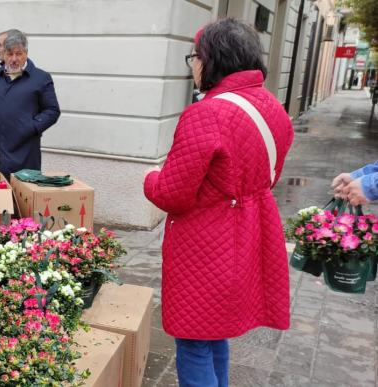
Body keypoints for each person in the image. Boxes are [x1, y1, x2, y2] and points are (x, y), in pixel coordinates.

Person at [143, 19, 293, 387]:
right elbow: (268, 177)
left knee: (193, 341)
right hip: (248, 235)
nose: (192, 65)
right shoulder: (273, 107)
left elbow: (172, 195)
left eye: (194, 56)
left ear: (210, 59)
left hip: (205, 246)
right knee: (214, 332)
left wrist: (150, 178)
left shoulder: (206, 113)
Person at [0, 29, 60, 179]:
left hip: (24, 154)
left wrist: (31, 126)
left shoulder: (41, 78)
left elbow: (52, 110)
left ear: (26, 53)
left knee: (19, 201)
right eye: (9, 54)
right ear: (3, 54)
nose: (14, 59)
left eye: (19, 54)